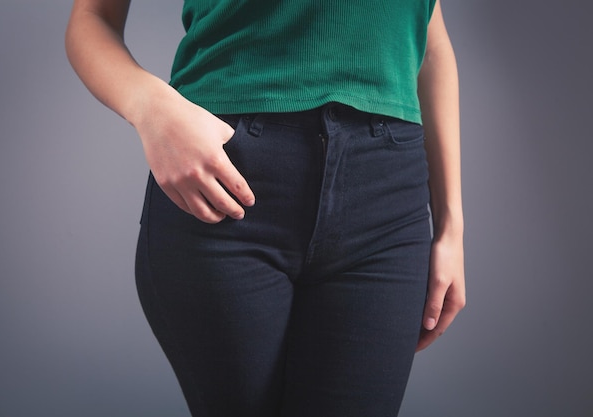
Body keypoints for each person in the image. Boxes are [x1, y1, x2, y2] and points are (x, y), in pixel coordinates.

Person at [65, 0, 465, 416]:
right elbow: (92, 17)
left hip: (387, 203)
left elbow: (430, 45)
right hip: (224, 184)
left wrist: (451, 227)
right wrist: (148, 107)